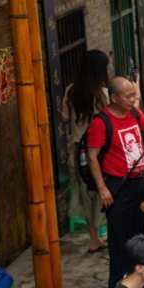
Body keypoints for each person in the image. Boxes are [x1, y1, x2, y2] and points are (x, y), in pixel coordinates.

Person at [87, 76, 144, 288]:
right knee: (119, 235)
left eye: (134, 94)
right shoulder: (101, 122)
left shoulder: (135, 113)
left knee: (138, 232)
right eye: (128, 96)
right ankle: (118, 281)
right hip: (116, 185)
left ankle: (137, 276)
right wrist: (102, 188)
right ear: (114, 97)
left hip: (138, 182)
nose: (133, 99)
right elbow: (92, 157)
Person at [61, 49, 109, 253]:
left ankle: (93, 238)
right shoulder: (102, 94)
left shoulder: (71, 91)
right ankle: (105, 233)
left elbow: (64, 117)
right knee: (102, 191)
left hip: (76, 149)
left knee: (85, 193)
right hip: (98, 151)